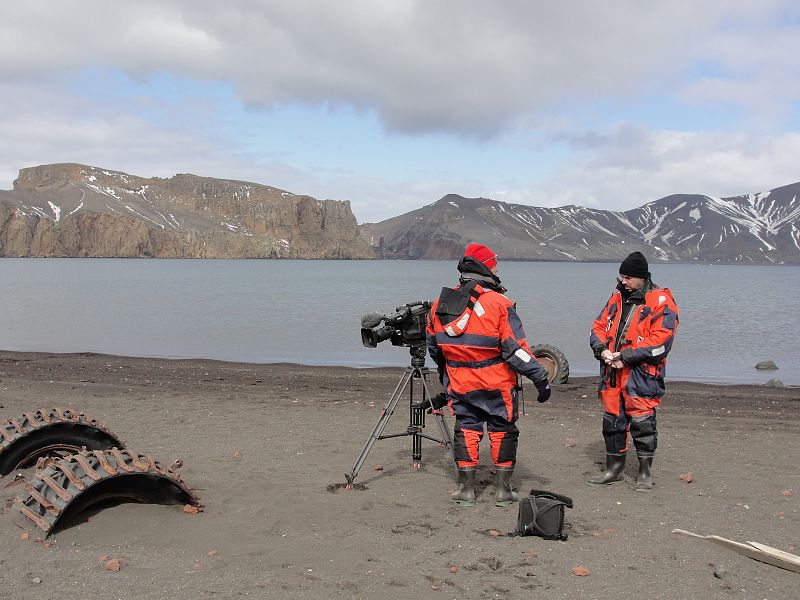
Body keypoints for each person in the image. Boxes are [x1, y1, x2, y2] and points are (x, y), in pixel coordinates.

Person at [426, 243, 551, 507]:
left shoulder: (440, 303)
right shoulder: (500, 304)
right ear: (487, 267)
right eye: (495, 264)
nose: (497, 268)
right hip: (496, 383)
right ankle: (503, 492)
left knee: (466, 429)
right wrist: (540, 378)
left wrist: (446, 376)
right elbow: (515, 351)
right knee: (503, 431)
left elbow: (434, 348)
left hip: (460, 383)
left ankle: (466, 491)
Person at [588, 251, 679, 492]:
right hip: (612, 373)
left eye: (628, 277)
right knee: (612, 422)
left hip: (640, 375)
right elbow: (598, 327)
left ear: (642, 277)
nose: (623, 281)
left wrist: (626, 357)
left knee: (643, 423)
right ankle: (614, 469)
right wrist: (601, 350)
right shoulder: (617, 298)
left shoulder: (661, 302)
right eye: (622, 277)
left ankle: (644, 472)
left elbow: (662, 341)